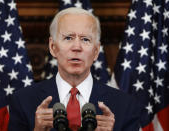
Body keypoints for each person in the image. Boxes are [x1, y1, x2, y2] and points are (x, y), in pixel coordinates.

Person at [8, 7, 141, 131]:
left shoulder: (125, 106)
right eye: (68, 38)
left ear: (96, 51)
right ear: (53, 47)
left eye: (85, 39)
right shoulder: (23, 101)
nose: (77, 47)